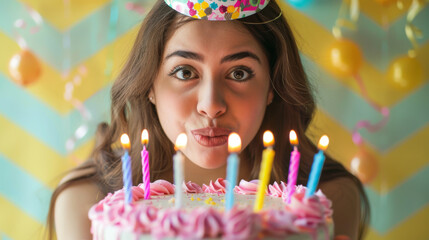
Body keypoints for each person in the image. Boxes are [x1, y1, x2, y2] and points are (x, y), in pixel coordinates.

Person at [46, 0, 370, 239]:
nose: (211, 105)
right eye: (185, 72)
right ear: (150, 86)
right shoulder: (86, 201)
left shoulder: (326, 198)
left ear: (272, 86)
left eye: (239, 73)